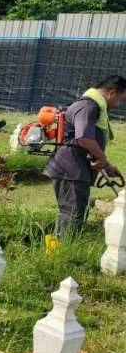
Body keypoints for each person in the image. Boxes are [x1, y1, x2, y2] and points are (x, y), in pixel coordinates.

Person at [43, 75, 126, 238]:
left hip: (75, 169)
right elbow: (84, 138)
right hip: (70, 170)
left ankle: (53, 243)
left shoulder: (93, 106)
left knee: (75, 212)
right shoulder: (88, 106)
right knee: (73, 214)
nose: (118, 104)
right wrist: (102, 159)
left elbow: (88, 142)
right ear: (111, 93)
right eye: (120, 99)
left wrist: (107, 165)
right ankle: (64, 253)